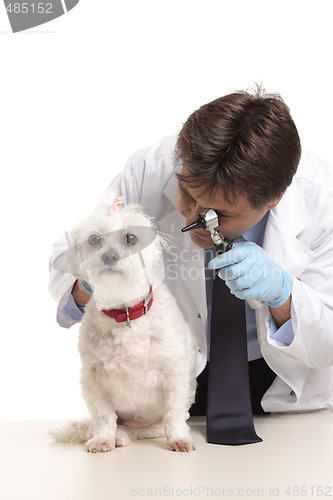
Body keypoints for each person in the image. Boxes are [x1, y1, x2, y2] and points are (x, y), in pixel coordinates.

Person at [49, 86, 333, 415]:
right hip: (167, 383)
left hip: (284, 386)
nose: (191, 217)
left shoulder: (323, 203)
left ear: (272, 201)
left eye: (219, 214)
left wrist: (283, 296)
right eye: (186, 191)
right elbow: (68, 255)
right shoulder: (148, 171)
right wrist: (88, 279)